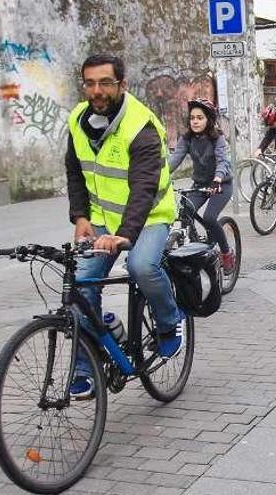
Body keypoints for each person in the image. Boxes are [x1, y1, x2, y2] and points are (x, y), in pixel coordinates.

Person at [65, 54, 183, 399]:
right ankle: (87, 366)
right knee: (80, 285)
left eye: (105, 82)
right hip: (102, 218)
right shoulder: (77, 119)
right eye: (90, 83)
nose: (97, 90)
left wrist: (126, 234)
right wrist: (81, 217)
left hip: (149, 217)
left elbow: (145, 188)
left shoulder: (140, 126)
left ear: (122, 84)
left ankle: (167, 319)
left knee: (141, 266)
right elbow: (74, 170)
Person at [169, 98, 236, 273]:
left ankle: (226, 253)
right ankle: (194, 246)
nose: (195, 121)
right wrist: (158, 175)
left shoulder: (217, 137)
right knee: (186, 212)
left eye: (200, 117)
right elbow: (175, 159)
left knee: (209, 218)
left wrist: (218, 179)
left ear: (208, 120)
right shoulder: (187, 139)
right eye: (192, 118)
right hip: (199, 184)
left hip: (221, 184)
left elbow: (222, 161)